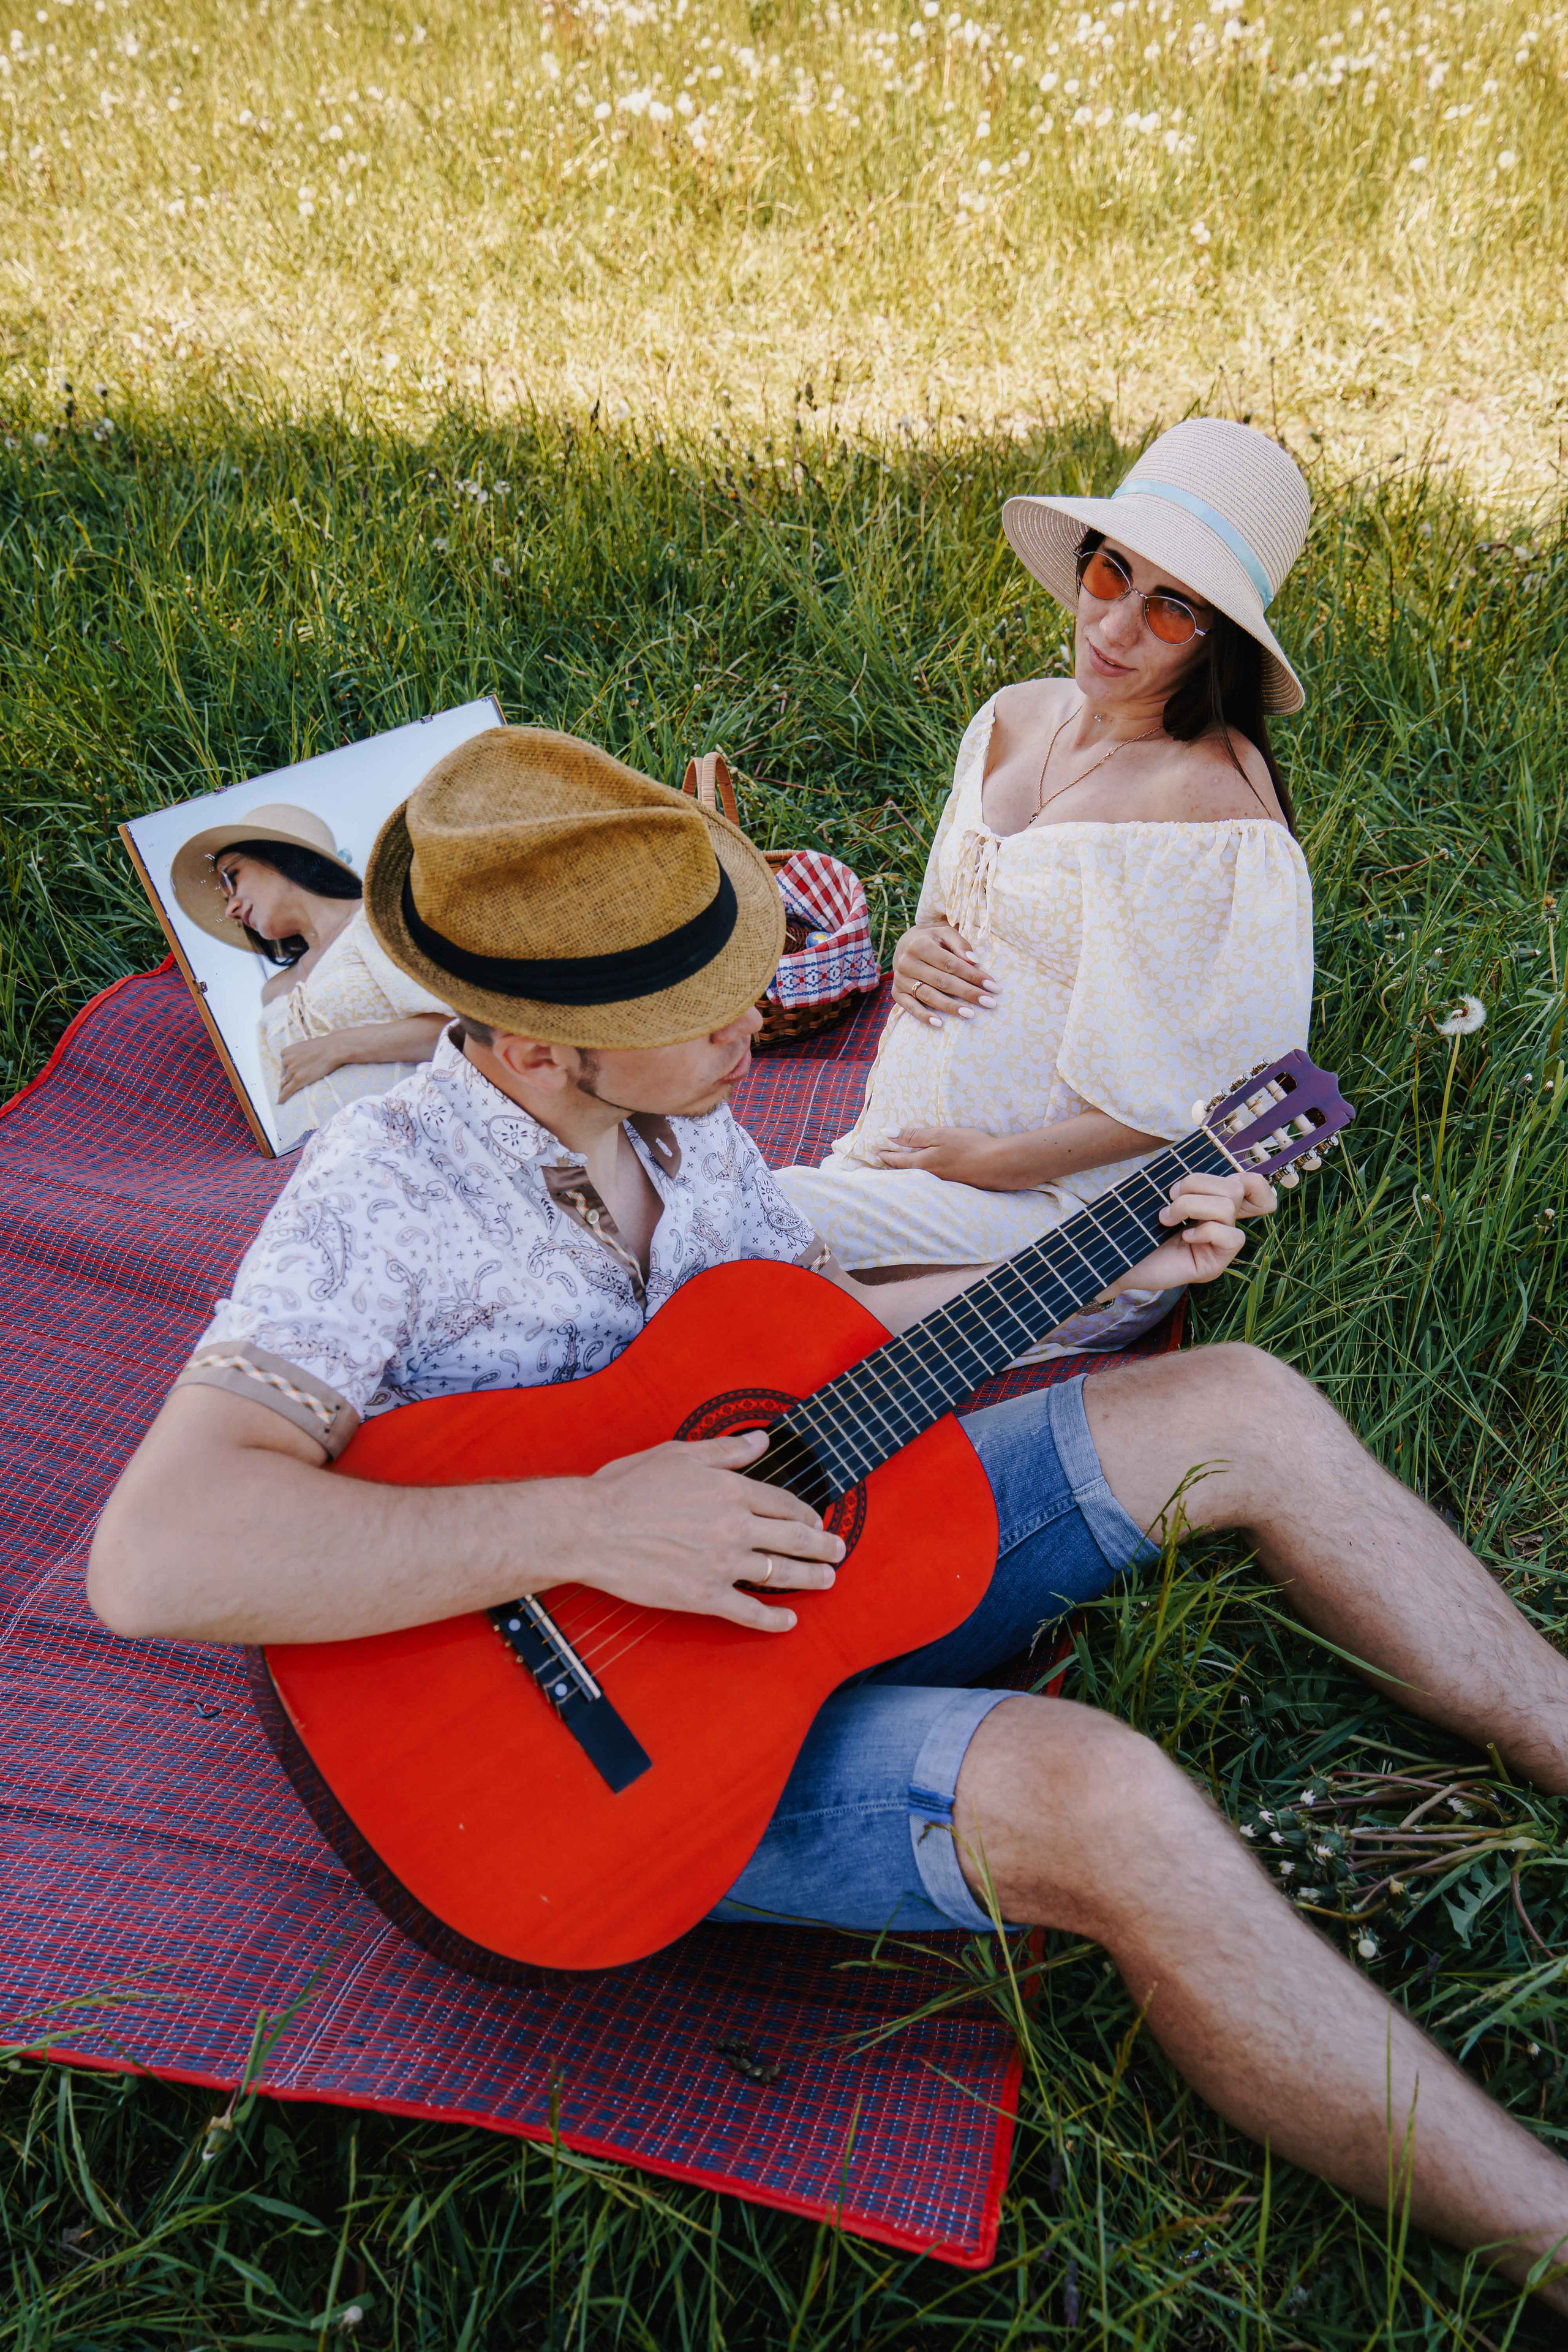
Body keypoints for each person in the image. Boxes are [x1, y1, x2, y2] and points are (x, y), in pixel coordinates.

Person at [92, 726, 1568, 2314]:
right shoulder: (379, 1193)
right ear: (533, 1050)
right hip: (593, 1753)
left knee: (1247, 1403)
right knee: (1109, 1797)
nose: (761, 1022)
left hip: (801, 1564)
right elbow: (159, 1552)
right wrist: (586, 1522)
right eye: (702, 1009)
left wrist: (1118, 1267)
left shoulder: (689, 1118)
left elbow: (805, 1338)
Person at [780, 418, 1314, 1360]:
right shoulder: (1015, 717)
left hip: (1059, 1227)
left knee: (737, 1225)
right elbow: (958, 912)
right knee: (683, 1205)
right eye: (1110, 573)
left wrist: (996, 1162)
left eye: (1171, 609)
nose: (1112, 626)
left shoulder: (1209, 812)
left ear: (1217, 642)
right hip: (901, 1162)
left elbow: (1237, 1096)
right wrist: (914, 949)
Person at [170, 802, 450, 1149]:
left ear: (282, 857)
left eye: (232, 877)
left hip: (426, 1147)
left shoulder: (374, 922)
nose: (230, 908)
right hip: (329, 1182)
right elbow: (282, 1105)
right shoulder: (273, 993)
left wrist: (337, 1047)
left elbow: (466, 1033)